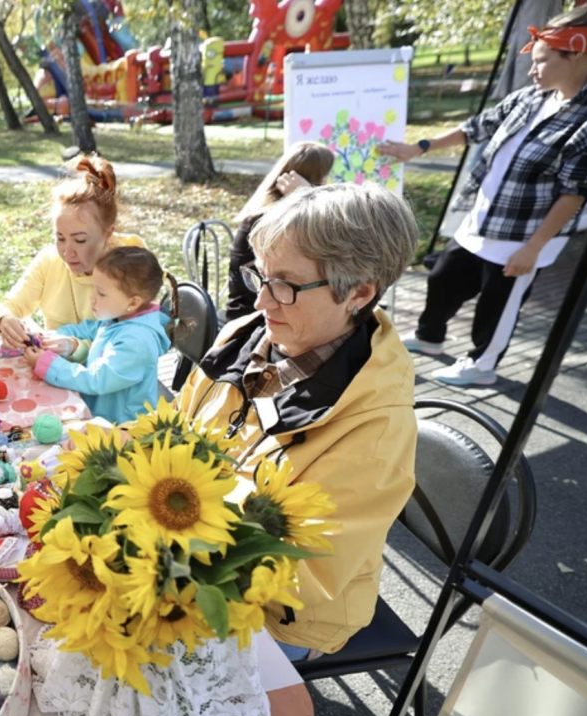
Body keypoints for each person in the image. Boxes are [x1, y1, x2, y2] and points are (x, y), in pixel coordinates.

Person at [182, 183, 418, 658]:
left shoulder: (378, 425)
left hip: (280, 616)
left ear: (360, 292)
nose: (261, 302)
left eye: (285, 285)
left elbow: (305, 573)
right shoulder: (247, 336)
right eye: (260, 277)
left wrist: (172, 529)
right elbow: (177, 429)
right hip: (192, 552)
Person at [379, 6, 587, 386]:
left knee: (498, 305)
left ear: (576, 55)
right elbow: (477, 126)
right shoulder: (532, 97)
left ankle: (482, 366)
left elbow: (572, 195)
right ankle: (429, 338)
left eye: (541, 61)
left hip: (525, 237)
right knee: (444, 278)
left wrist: (533, 249)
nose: (532, 70)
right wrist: (420, 146)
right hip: (482, 220)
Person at [0, 156, 146, 348]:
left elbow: (130, 345)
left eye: (80, 240)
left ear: (108, 233)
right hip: (52, 371)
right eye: (60, 238)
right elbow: (9, 305)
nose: (67, 252)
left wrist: (74, 347)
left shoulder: (131, 265)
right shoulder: (49, 260)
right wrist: (4, 320)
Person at [24, 247, 172, 423]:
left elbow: (97, 380)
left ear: (133, 302)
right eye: (94, 289)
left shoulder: (137, 342)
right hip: (99, 411)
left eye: (101, 293)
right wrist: (54, 337)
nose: (92, 297)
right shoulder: (120, 317)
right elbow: (90, 329)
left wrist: (48, 366)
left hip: (120, 427)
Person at [227, 142, 335, 323]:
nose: (327, 183)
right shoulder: (275, 219)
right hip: (257, 318)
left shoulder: (273, 212)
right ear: (315, 178)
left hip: (271, 309)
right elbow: (331, 251)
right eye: (325, 177)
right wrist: (306, 197)